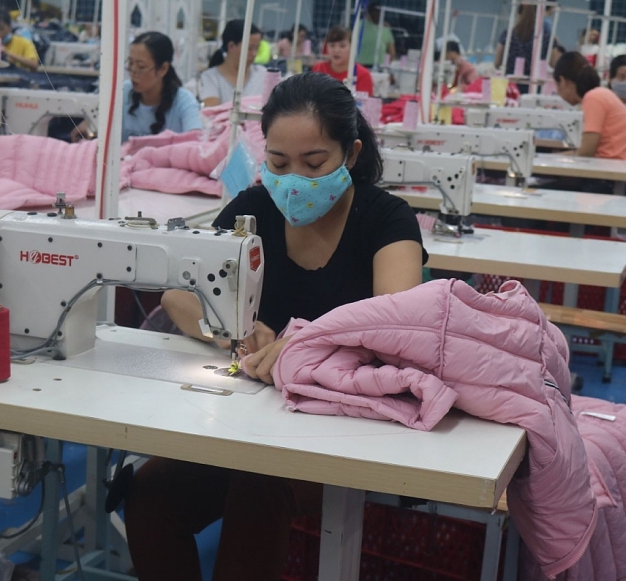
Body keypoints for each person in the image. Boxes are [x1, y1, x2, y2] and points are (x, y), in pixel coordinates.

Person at [125, 72, 425, 581]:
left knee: (259, 489)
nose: (294, 180)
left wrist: (300, 345)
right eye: (279, 164)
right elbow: (179, 294)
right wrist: (230, 328)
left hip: (343, 426)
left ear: (351, 154)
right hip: (252, 420)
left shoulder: (386, 220)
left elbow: (396, 325)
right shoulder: (253, 210)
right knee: (149, 493)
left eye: (314, 164)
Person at [70, 31, 202, 143]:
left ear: (163, 69)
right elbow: (94, 122)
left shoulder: (184, 102)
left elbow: (196, 143)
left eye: (141, 67)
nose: (133, 72)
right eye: (130, 64)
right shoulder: (122, 92)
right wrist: (88, 127)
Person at [554, 51, 626, 194]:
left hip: (613, 183)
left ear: (562, 81)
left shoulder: (594, 98)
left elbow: (586, 152)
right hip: (614, 177)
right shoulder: (600, 94)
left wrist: (553, 159)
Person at [199, 19, 266, 107]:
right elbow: (212, 111)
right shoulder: (210, 78)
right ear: (231, 46)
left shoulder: (264, 75)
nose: (254, 53)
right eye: (249, 48)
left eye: (257, 48)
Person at [494, 5, 557, 85]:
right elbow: (554, 64)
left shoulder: (507, 34)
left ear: (518, 14)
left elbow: (497, 63)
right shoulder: (546, 37)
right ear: (539, 15)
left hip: (511, 85)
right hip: (535, 85)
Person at [313, 26, 374, 96]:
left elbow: (364, 101)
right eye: (332, 45)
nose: (336, 50)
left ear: (352, 47)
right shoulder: (318, 69)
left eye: (342, 46)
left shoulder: (363, 75)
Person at [357, 1, 395, 68]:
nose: (376, 14)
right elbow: (392, 54)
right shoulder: (359, 26)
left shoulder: (385, 29)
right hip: (364, 66)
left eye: (377, 12)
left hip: (374, 67)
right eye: (374, 12)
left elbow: (391, 54)